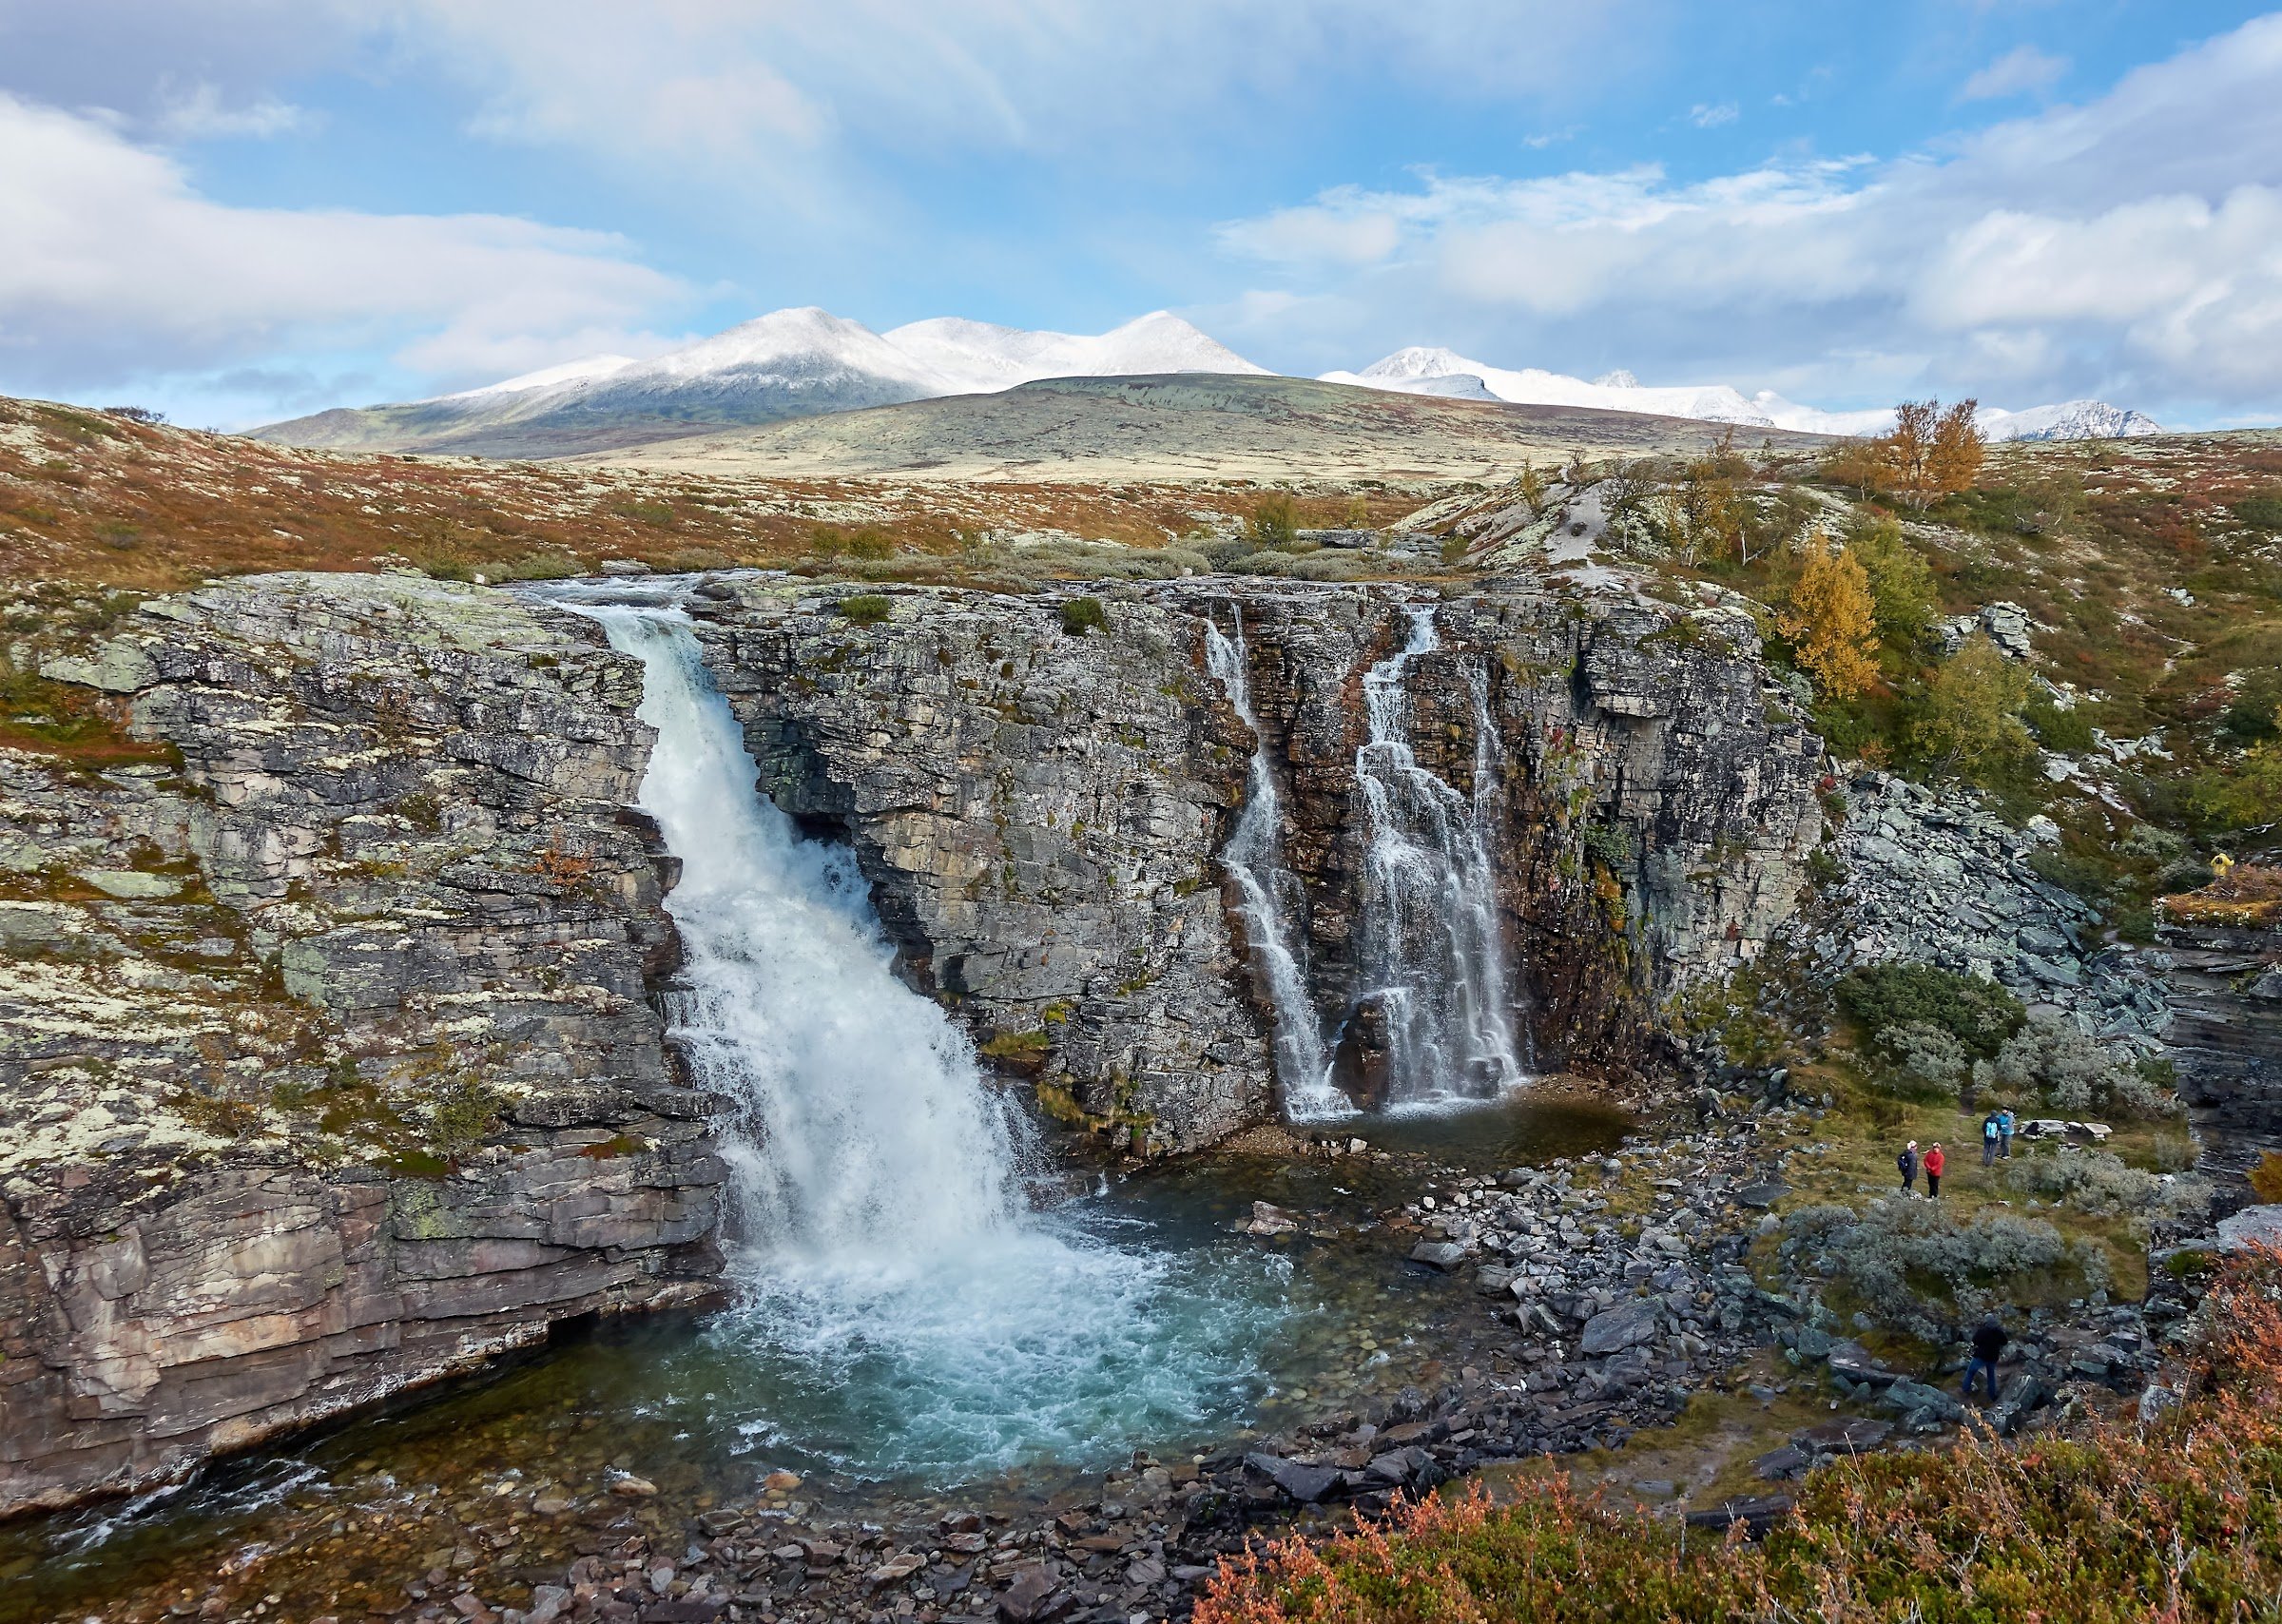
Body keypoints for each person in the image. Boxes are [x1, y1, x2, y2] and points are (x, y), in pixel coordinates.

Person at [1963, 1315, 2006, 1402]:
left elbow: (1975, 1340)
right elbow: (2004, 1341)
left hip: (1981, 1356)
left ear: (1986, 1322)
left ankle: (1965, 1390)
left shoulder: (1982, 1331)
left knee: (1970, 1372)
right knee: (1991, 1376)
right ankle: (1992, 1395)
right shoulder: (1999, 1332)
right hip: (1993, 1357)